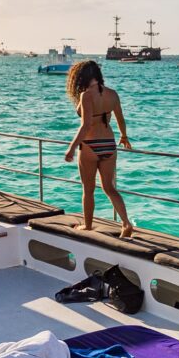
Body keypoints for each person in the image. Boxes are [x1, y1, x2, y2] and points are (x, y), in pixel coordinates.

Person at [63, 60, 134, 238]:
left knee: (88, 189)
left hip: (90, 146)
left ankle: (87, 225)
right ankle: (126, 223)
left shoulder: (86, 95)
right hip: (109, 145)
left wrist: (71, 148)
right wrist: (124, 136)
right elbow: (120, 119)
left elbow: (85, 126)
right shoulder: (112, 94)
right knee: (109, 188)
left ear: (82, 77)